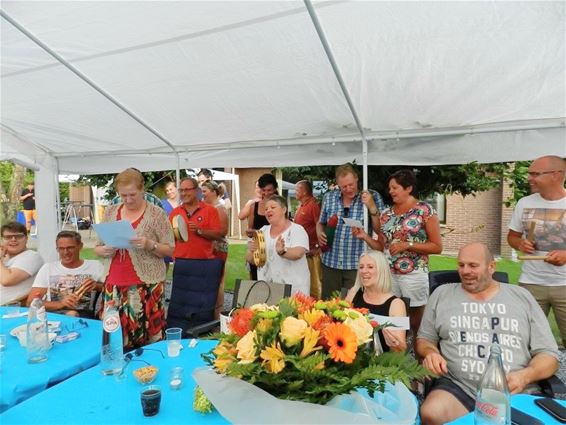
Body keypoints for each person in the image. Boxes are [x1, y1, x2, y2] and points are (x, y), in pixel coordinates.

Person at [417, 243, 559, 425]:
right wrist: (431, 353)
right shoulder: (441, 294)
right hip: (459, 388)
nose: (465, 271)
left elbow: (549, 355)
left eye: (473, 265)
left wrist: (525, 376)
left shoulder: (521, 297)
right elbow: (424, 339)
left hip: (514, 391)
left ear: (491, 267)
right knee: (430, 412)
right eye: (461, 265)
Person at [94, 168, 174, 349]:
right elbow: (97, 247)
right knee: (114, 337)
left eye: (133, 195)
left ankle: (148, 371)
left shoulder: (156, 214)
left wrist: (149, 244)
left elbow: (170, 250)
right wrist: (104, 250)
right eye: (123, 195)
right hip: (114, 283)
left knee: (147, 340)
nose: (128, 200)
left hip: (147, 284)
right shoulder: (111, 211)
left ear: (142, 189)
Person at [359, 169, 442, 341]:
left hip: (414, 274)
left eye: (395, 188)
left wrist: (408, 245)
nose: (391, 192)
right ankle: (397, 349)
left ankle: (419, 353)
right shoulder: (388, 213)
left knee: (416, 320)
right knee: (393, 318)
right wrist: (366, 233)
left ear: (409, 188)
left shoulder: (425, 211)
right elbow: (381, 240)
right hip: (390, 274)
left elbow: (436, 247)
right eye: (390, 188)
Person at [507, 155, 566, 348]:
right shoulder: (524, 203)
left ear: (556, 175)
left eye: (535, 174)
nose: (529, 178)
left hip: (564, 285)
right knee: (528, 340)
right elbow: (512, 237)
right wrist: (520, 244)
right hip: (531, 283)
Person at [316, 163, 386, 299]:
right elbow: (321, 222)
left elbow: (380, 229)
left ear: (357, 179)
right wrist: (319, 232)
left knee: (352, 307)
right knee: (328, 305)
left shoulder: (372, 196)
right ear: (338, 184)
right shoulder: (329, 197)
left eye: (350, 184)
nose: (348, 189)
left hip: (357, 263)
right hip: (331, 261)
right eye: (344, 187)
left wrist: (371, 206)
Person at [27, 231, 104, 317]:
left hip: (86, 316)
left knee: (73, 314)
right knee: (72, 314)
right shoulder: (48, 268)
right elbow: (31, 302)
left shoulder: (95, 266)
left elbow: (111, 290)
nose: (65, 252)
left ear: (80, 246)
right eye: (61, 248)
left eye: (70, 248)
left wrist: (97, 286)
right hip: (56, 315)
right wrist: (60, 303)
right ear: (57, 249)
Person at [246, 195, 309, 295]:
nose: (268, 211)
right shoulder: (262, 231)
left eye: (273, 207)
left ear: (284, 210)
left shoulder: (297, 230)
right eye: (266, 209)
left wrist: (283, 251)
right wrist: (251, 251)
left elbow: (298, 253)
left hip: (293, 291)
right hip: (268, 291)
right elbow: (252, 260)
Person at [345, 250, 406, 352]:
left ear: (382, 271)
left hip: (382, 362)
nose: (364, 271)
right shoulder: (353, 293)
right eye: (361, 267)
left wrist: (394, 343)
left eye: (370, 267)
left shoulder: (396, 304)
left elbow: (401, 349)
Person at [170, 177, 222, 260]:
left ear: (197, 190)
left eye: (187, 190)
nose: (183, 193)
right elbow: (169, 239)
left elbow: (218, 235)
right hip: (180, 260)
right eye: (181, 190)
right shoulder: (175, 212)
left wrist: (199, 231)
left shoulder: (211, 210)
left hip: (204, 261)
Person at [201, 180, 229, 318]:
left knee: (218, 281)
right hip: (207, 249)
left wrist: (201, 232)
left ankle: (218, 315)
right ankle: (209, 313)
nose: (202, 194)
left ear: (213, 192)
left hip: (218, 249)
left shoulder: (220, 208)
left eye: (204, 191)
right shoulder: (206, 207)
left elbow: (223, 231)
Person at [0, 221, 44, 305]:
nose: (13, 240)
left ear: (26, 238)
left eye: (18, 236)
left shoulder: (32, 256)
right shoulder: (3, 259)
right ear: (2, 240)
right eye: (8, 237)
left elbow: (7, 280)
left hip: (12, 310)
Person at [246, 173, 278, 280]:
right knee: (256, 280)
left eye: (269, 190)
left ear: (275, 188)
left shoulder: (281, 205)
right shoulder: (254, 206)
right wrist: (250, 232)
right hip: (258, 250)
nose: (266, 193)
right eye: (264, 190)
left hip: (275, 249)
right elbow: (249, 228)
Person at [294, 180, 322, 299]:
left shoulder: (313, 204)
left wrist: (318, 247)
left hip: (312, 252)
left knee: (315, 284)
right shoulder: (301, 205)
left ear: (304, 191)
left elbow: (319, 224)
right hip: (303, 251)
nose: (295, 192)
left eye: (297, 190)